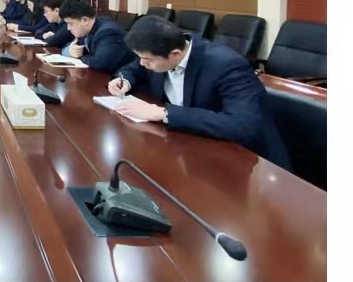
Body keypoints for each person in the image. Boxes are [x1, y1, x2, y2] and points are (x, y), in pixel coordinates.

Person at [108, 15, 291, 168]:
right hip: (185, 146)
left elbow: (243, 125)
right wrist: (124, 80)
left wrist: (164, 113)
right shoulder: (159, 52)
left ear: (175, 55)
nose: (142, 63)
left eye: (147, 60)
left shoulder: (226, 65)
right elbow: (135, 68)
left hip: (242, 163)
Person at [61, 0, 131, 73]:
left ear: (85, 20)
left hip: (117, 77)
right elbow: (69, 46)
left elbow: (100, 64)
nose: (68, 28)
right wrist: (69, 51)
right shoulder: (85, 30)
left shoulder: (109, 32)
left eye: (70, 23)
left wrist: (79, 56)